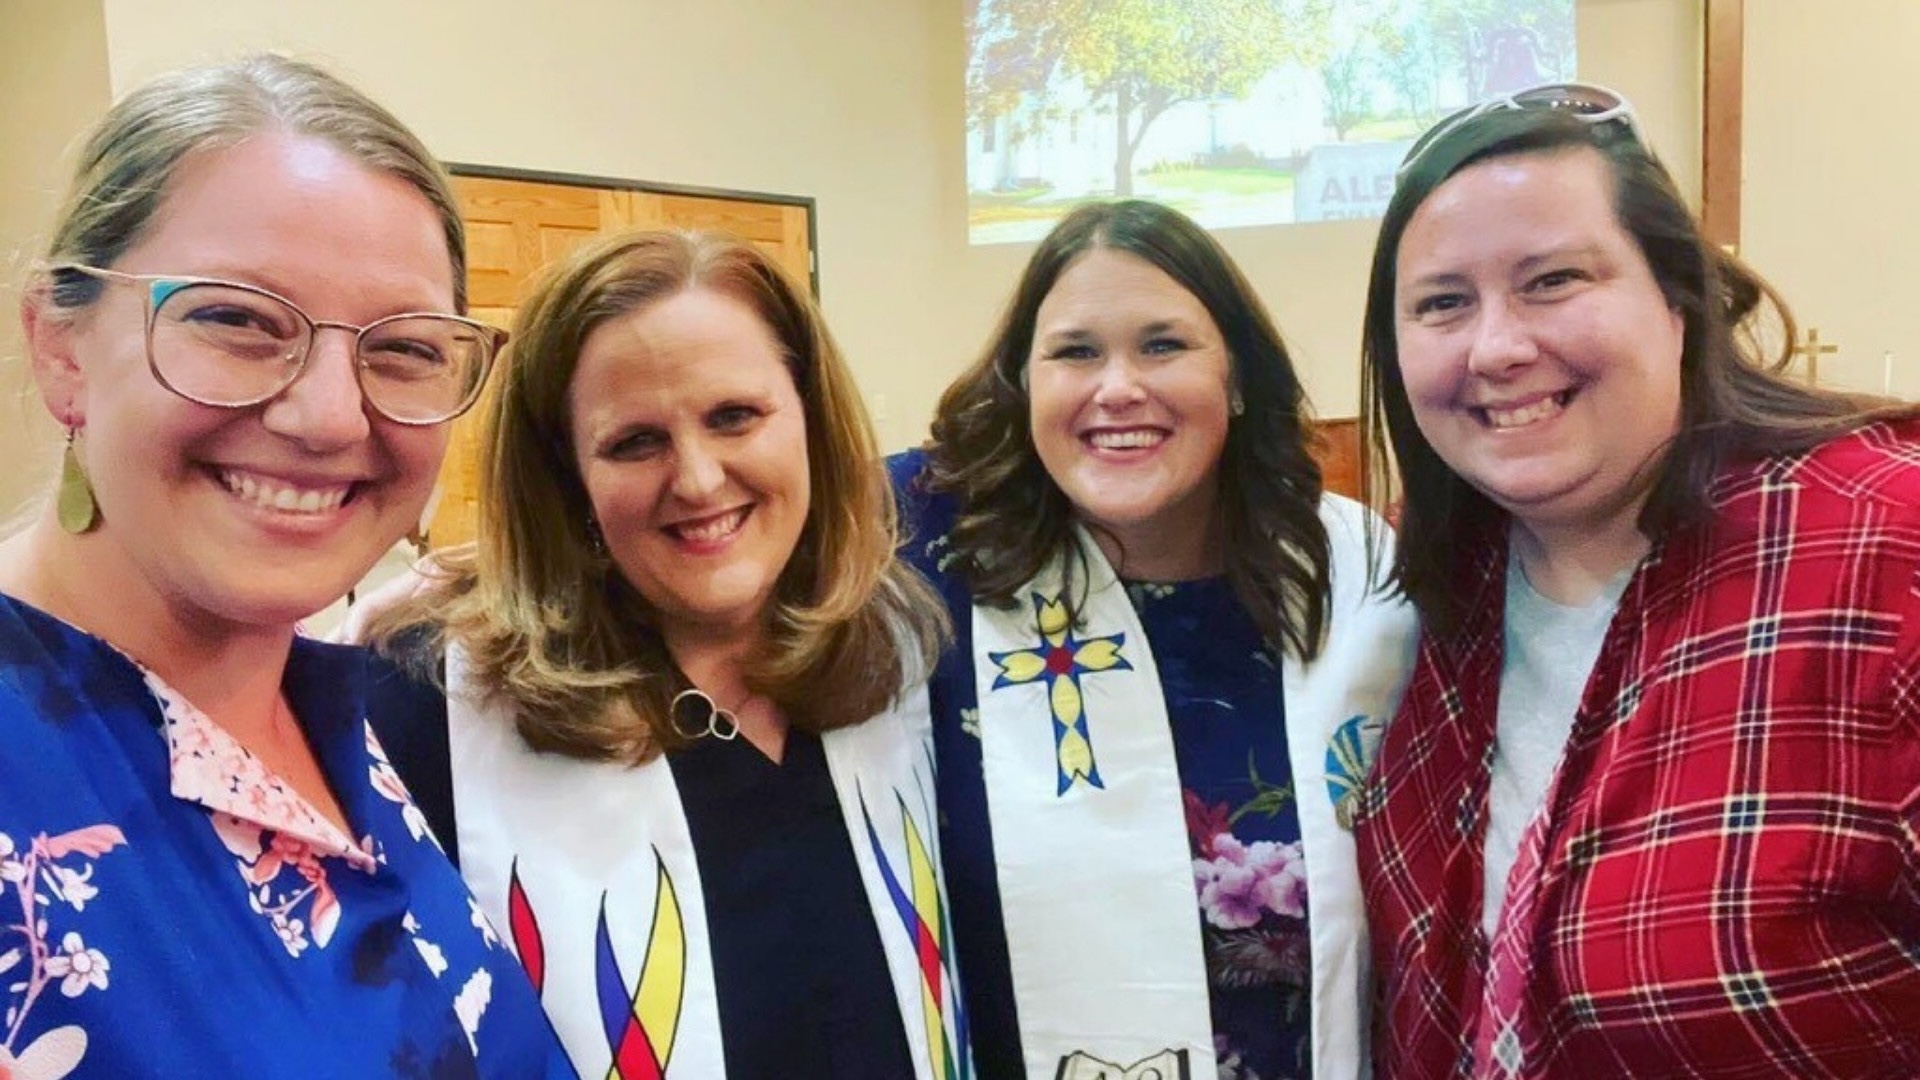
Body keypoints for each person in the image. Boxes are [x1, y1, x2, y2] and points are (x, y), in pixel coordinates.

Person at [0, 55, 574, 1077]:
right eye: (235, 321)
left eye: (402, 349)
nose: (328, 417)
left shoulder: (320, 708)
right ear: (60, 346)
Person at [1353, 83, 1920, 1079]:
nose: (1496, 347)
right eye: (1444, 303)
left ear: (1678, 298)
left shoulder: (1888, 551)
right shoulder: (1427, 602)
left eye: (1553, 280)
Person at [350, 229, 969, 1080]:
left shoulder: (904, 651)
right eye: (634, 442)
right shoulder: (431, 705)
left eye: (735, 417)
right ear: (567, 476)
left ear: (811, 422)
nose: (700, 480)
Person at [890, 199, 1416, 1080]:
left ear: (1238, 377)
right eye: (1075, 352)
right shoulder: (934, 564)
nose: (1118, 387)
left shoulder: (1358, 573)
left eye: (1163, 345)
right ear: (1023, 382)